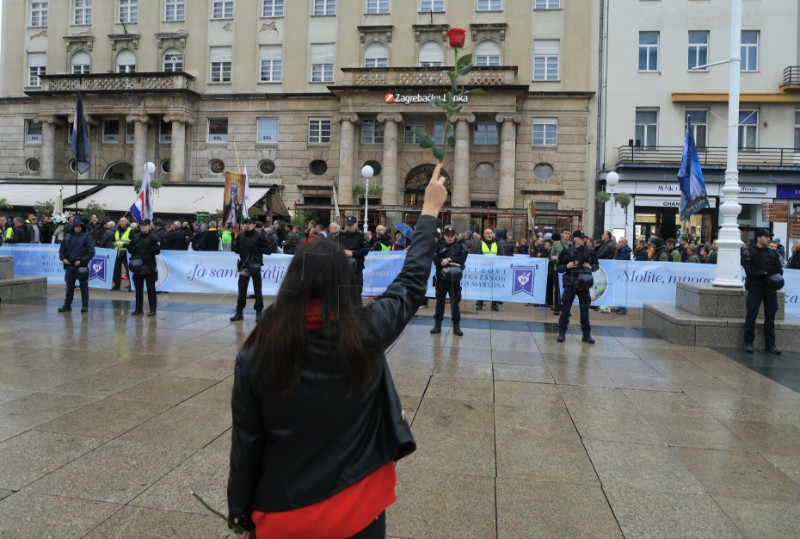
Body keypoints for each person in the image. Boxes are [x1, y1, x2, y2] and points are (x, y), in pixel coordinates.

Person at [226, 163, 447, 539]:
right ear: (345, 286)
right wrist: (428, 213)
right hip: (357, 508)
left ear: (292, 283)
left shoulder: (256, 356)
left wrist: (240, 516)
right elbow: (410, 283)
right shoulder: (365, 332)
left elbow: (247, 446)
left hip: (284, 514)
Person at [741, 229, 783, 354]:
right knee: (752, 314)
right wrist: (762, 273)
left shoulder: (773, 253)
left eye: (769, 237)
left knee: (770, 316)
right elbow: (749, 271)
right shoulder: (749, 252)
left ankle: (770, 345)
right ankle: (748, 343)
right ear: (759, 238)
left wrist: (767, 274)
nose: (769, 239)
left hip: (770, 289)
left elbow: (779, 271)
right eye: (766, 237)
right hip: (755, 287)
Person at [556, 231, 599, 344]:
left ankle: (586, 334)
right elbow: (558, 267)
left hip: (584, 283)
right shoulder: (566, 252)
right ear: (575, 238)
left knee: (584, 310)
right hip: (570, 282)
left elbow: (596, 265)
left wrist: (591, 266)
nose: (583, 239)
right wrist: (567, 266)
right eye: (580, 238)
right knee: (565, 309)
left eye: (583, 238)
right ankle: (561, 333)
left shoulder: (589, 252)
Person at [231, 217, 271, 321]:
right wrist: (234, 243)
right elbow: (237, 250)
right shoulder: (241, 236)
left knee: (257, 291)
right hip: (244, 266)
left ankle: (259, 313)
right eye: (246, 223)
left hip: (255, 266)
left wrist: (258, 249)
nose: (247, 225)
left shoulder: (259, 236)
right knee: (242, 291)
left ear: (254, 225)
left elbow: (269, 250)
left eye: (250, 223)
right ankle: (239, 313)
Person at [431, 225, 468, 336]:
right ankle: (437, 325)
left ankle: (456, 327)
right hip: (441, 279)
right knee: (439, 304)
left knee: (455, 304)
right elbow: (435, 259)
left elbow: (462, 260)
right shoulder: (438, 245)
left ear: (455, 235)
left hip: (454, 280)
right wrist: (443, 262)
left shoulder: (460, 245)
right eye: (448, 236)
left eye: (452, 236)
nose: (450, 238)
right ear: (444, 236)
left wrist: (449, 260)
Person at [57, 216, 95, 313]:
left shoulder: (87, 237)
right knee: (69, 286)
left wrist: (82, 261)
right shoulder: (67, 236)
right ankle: (67, 304)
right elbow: (62, 250)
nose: (78, 228)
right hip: (69, 264)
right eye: (76, 226)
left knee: (83, 285)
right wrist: (63, 258)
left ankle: (85, 305)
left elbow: (91, 252)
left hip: (81, 265)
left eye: (80, 226)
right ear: (73, 227)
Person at [128, 219, 161, 316]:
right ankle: (138, 309)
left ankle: (152, 309)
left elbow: (157, 251)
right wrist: (131, 245)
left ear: (149, 226)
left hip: (149, 265)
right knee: (138, 289)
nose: (143, 227)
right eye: (141, 225)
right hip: (137, 265)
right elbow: (131, 250)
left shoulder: (154, 237)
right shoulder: (136, 236)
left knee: (151, 289)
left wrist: (148, 247)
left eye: (145, 225)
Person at [336, 216, 370, 296]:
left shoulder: (361, 236)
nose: (349, 226)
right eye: (348, 225)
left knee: (356, 292)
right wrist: (341, 251)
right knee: (342, 293)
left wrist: (353, 253)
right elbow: (334, 247)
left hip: (356, 269)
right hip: (343, 268)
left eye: (351, 225)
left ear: (356, 224)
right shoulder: (340, 236)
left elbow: (365, 249)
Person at [475, 228, 501, 311]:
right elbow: (476, 254)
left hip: (494, 268)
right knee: (481, 286)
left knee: (494, 287)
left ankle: (494, 304)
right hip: (483, 268)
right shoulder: (479, 243)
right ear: (484, 234)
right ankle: (480, 303)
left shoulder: (496, 243)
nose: (489, 235)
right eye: (487, 233)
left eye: (491, 233)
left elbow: (500, 255)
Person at [111, 217, 132, 291]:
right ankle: (117, 285)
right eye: (120, 221)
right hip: (117, 251)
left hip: (126, 252)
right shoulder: (117, 230)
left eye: (123, 221)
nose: (121, 222)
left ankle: (131, 285)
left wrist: (124, 245)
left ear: (127, 222)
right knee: (116, 270)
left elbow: (133, 243)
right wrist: (113, 243)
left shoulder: (130, 231)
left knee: (128, 269)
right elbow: (113, 240)